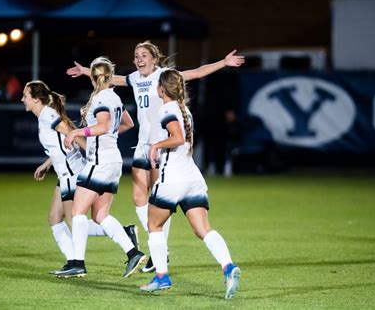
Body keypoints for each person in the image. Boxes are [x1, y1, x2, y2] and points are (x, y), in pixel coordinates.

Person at [66, 41, 245, 272]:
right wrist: (85, 72)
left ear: (154, 59)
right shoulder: (135, 78)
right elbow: (111, 78)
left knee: (160, 199)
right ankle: (159, 247)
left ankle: (161, 251)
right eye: (136, 55)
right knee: (139, 199)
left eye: (144, 55)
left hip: (162, 147)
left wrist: (224, 62)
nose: (139, 59)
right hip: (143, 145)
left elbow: (197, 73)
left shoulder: (164, 76)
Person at [139, 69, 240, 299]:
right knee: (203, 229)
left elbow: (177, 138)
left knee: (153, 225)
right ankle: (228, 267)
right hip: (192, 178)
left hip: (171, 178)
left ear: (161, 89)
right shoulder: (184, 109)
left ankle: (162, 277)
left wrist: (156, 146)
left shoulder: (166, 109)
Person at [22, 80, 139, 275]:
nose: (22, 99)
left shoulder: (48, 115)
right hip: (64, 173)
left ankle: (117, 238)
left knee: (75, 220)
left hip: (72, 173)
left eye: (25, 95)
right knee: (54, 219)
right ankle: (72, 262)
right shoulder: (45, 116)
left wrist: (91, 154)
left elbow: (71, 134)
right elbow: (61, 143)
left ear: (35, 99)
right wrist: (46, 164)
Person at [59, 56, 147, 278]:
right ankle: (133, 252)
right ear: (109, 77)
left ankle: (77, 262)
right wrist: (106, 136)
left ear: (94, 78)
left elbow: (103, 125)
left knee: (77, 212)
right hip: (113, 159)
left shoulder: (101, 98)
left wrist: (77, 131)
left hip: (99, 161)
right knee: (100, 215)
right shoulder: (114, 97)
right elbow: (128, 123)